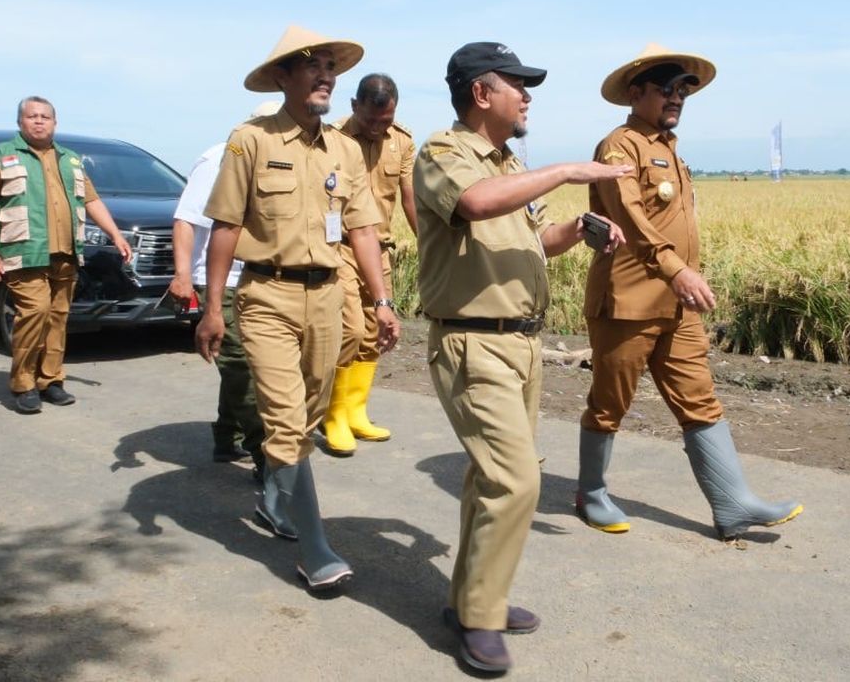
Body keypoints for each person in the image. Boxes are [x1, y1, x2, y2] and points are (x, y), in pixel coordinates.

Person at [413, 42, 630, 673]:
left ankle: (475, 598)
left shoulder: (508, 161)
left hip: (521, 343)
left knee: (491, 480)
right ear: (482, 94)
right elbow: (477, 204)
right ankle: (479, 619)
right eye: (518, 84)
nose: (528, 95)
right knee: (515, 480)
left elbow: (535, 238)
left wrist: (582, 230)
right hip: (472, 340)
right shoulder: (443, 153)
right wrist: (567, 172)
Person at [195, 25, 400, 591]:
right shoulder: (250, 140)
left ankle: (269, 498)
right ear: (282, 77)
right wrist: (214, 308)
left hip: (328, 297)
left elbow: (362, 229)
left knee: (306, 416)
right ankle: (316, 550)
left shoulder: (344, 149)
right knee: (286, 420)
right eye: (311, 64)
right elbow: (227, 226)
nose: (325, 74)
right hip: (266, 297)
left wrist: (381, 301)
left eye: (331, 66)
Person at [576, 43, 803, 539]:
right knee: (610, 403)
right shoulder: (620, 147)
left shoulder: (669, 149)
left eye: (684, 90)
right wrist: (676, 270)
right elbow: (630, 218)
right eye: (666, 88)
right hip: (628, 303)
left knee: (700, 399)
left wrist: (682, 280)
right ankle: (591, 494)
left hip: (678, 308)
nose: (677, 98)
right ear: (635, 93)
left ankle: (732, 503)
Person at [0, 97, 132, 414]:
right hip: (24, 251)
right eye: (32, 116)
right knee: (35, 312)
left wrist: (115, 234)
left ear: (55, 123)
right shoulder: (0, 156)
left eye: (46, 116)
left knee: (58, 317)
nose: (39, 121)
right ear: (20, 122)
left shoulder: (70, 159)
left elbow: (92, 200)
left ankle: (51, 380)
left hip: (66, 254)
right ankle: (24, 383)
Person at [168, 102, 279, 472]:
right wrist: (183, 276)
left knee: (244, 365)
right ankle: (268, 457)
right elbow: (186, 219)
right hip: (222, 281)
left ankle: (227, 437)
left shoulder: (280, 160)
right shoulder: (218, 159)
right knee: (242, 367)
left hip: (261, 279)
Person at [321, 73, 417, 456]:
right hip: (340, 247)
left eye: (387, 120)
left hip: (381, 249)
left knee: (377, 331)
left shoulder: (403, 142)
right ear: (354, 106)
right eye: (373, 119)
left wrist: (429, 244)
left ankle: (357, 411)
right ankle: (333, 415)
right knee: (349, 329)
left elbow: (410, 198)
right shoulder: (332, 140)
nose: (380, 127)